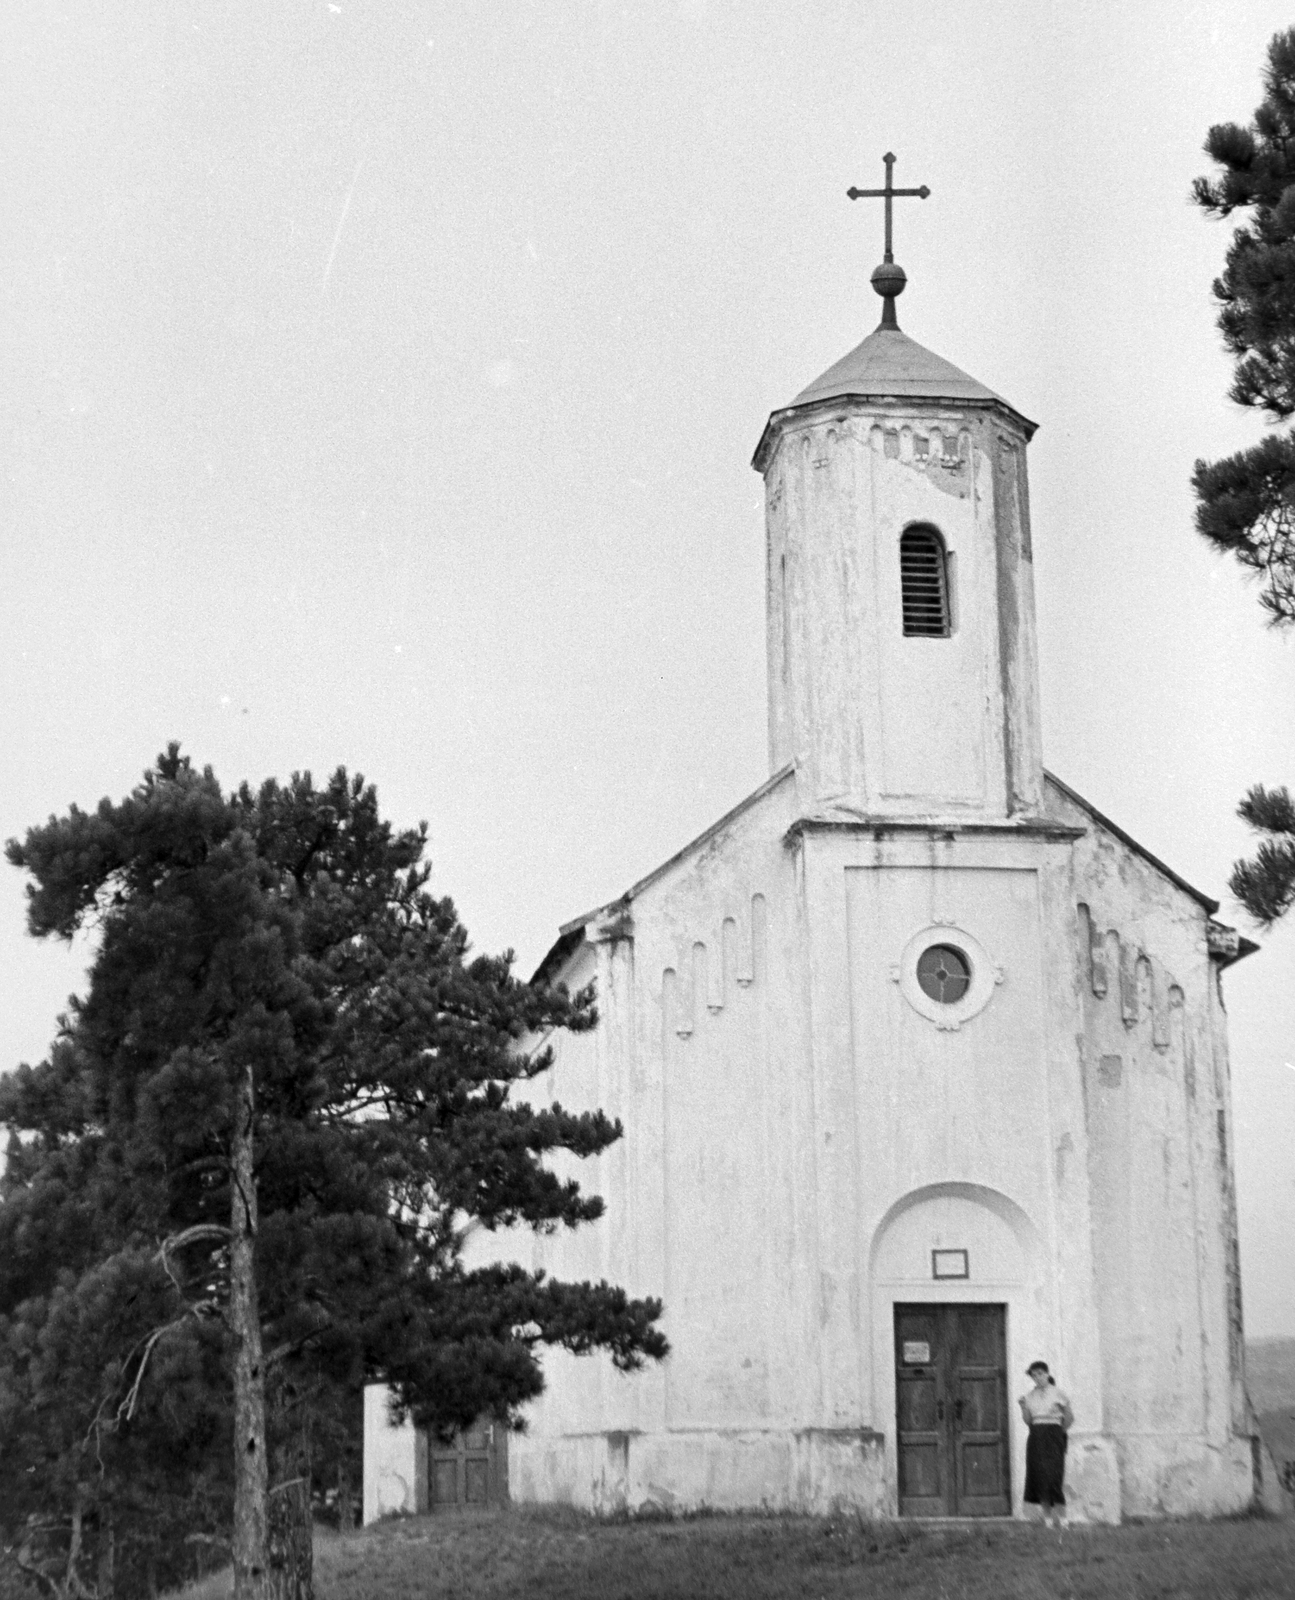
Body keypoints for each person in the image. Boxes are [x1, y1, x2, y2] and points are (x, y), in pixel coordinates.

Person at [1018, 1360, 1073, 1527]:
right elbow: (1028, 1421)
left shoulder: (1059, 1394)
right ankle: (1048, 1519)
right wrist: (1023, 1407)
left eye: (1040, 1374)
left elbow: (1069, 1418)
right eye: (1034, 1375)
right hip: (1036, 1437)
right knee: (1040, 1476)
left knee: (1055, 1476)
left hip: (1054, 1435)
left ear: (1047, 1374)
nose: (1037, 1378)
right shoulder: (1029, 1396)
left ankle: (1063, 1519)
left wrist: (1058, 1434)